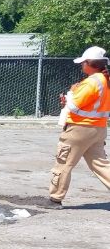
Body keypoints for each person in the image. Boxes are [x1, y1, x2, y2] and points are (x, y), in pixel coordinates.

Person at [46, 45, 110, 207]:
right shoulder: (105, 81)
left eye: (83, 63)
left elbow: (74, 106)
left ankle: (55, 198)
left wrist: (70, 95)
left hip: (79, 129)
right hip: (98, 129)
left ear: (89, 63)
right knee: (100, 164)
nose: (81, 65)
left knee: (64, 163)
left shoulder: (91, 83)